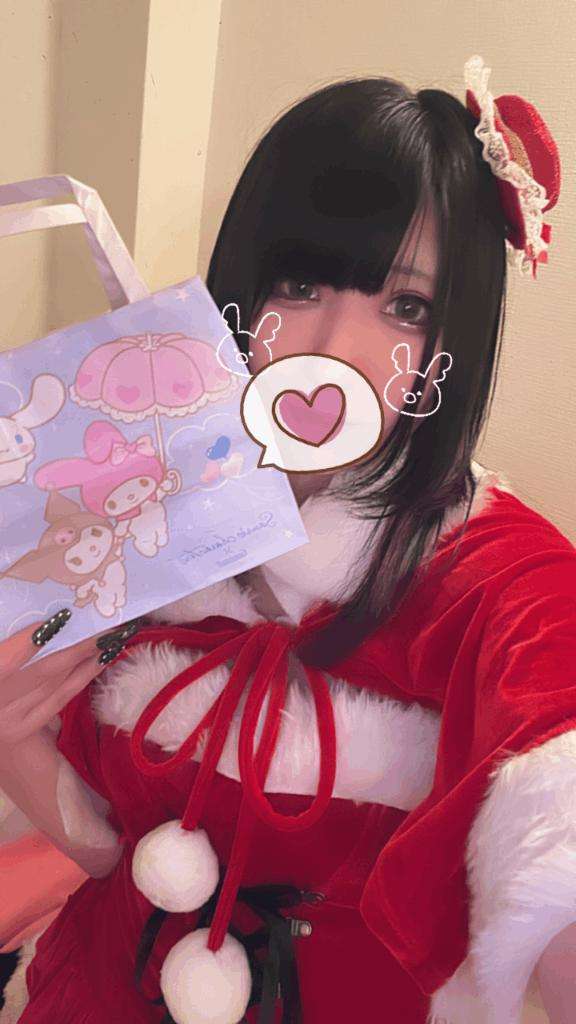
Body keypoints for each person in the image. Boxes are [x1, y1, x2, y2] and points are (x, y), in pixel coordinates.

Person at [0, 54, 574, 1024]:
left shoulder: (495, 575)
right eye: (302, 284)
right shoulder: (133, 498)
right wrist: (10, 735)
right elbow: (110, 853)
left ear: (452, 345)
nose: (335, 348)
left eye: (405, 307)